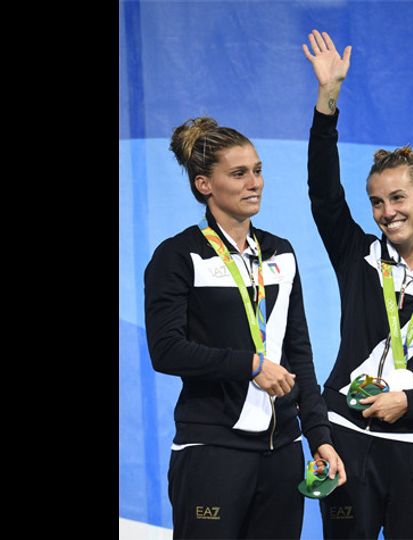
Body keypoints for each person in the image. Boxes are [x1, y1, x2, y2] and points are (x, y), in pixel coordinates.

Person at [301, 30, 413, 539]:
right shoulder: (358, 255)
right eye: (377, 202)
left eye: (398, 198)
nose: (387, 213)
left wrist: (412, 403)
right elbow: (323, 191)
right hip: (346, 437)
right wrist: (327, 100)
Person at [145, 116, 345, 539]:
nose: (254, 182)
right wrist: (250, 364)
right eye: (238, 174)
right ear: (205, 184)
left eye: (257, 170)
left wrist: (319, 436)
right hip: (212, 450)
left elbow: (300, 356)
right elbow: (166, 351)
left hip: (283, 451)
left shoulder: (281, 253)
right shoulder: (179, 256)